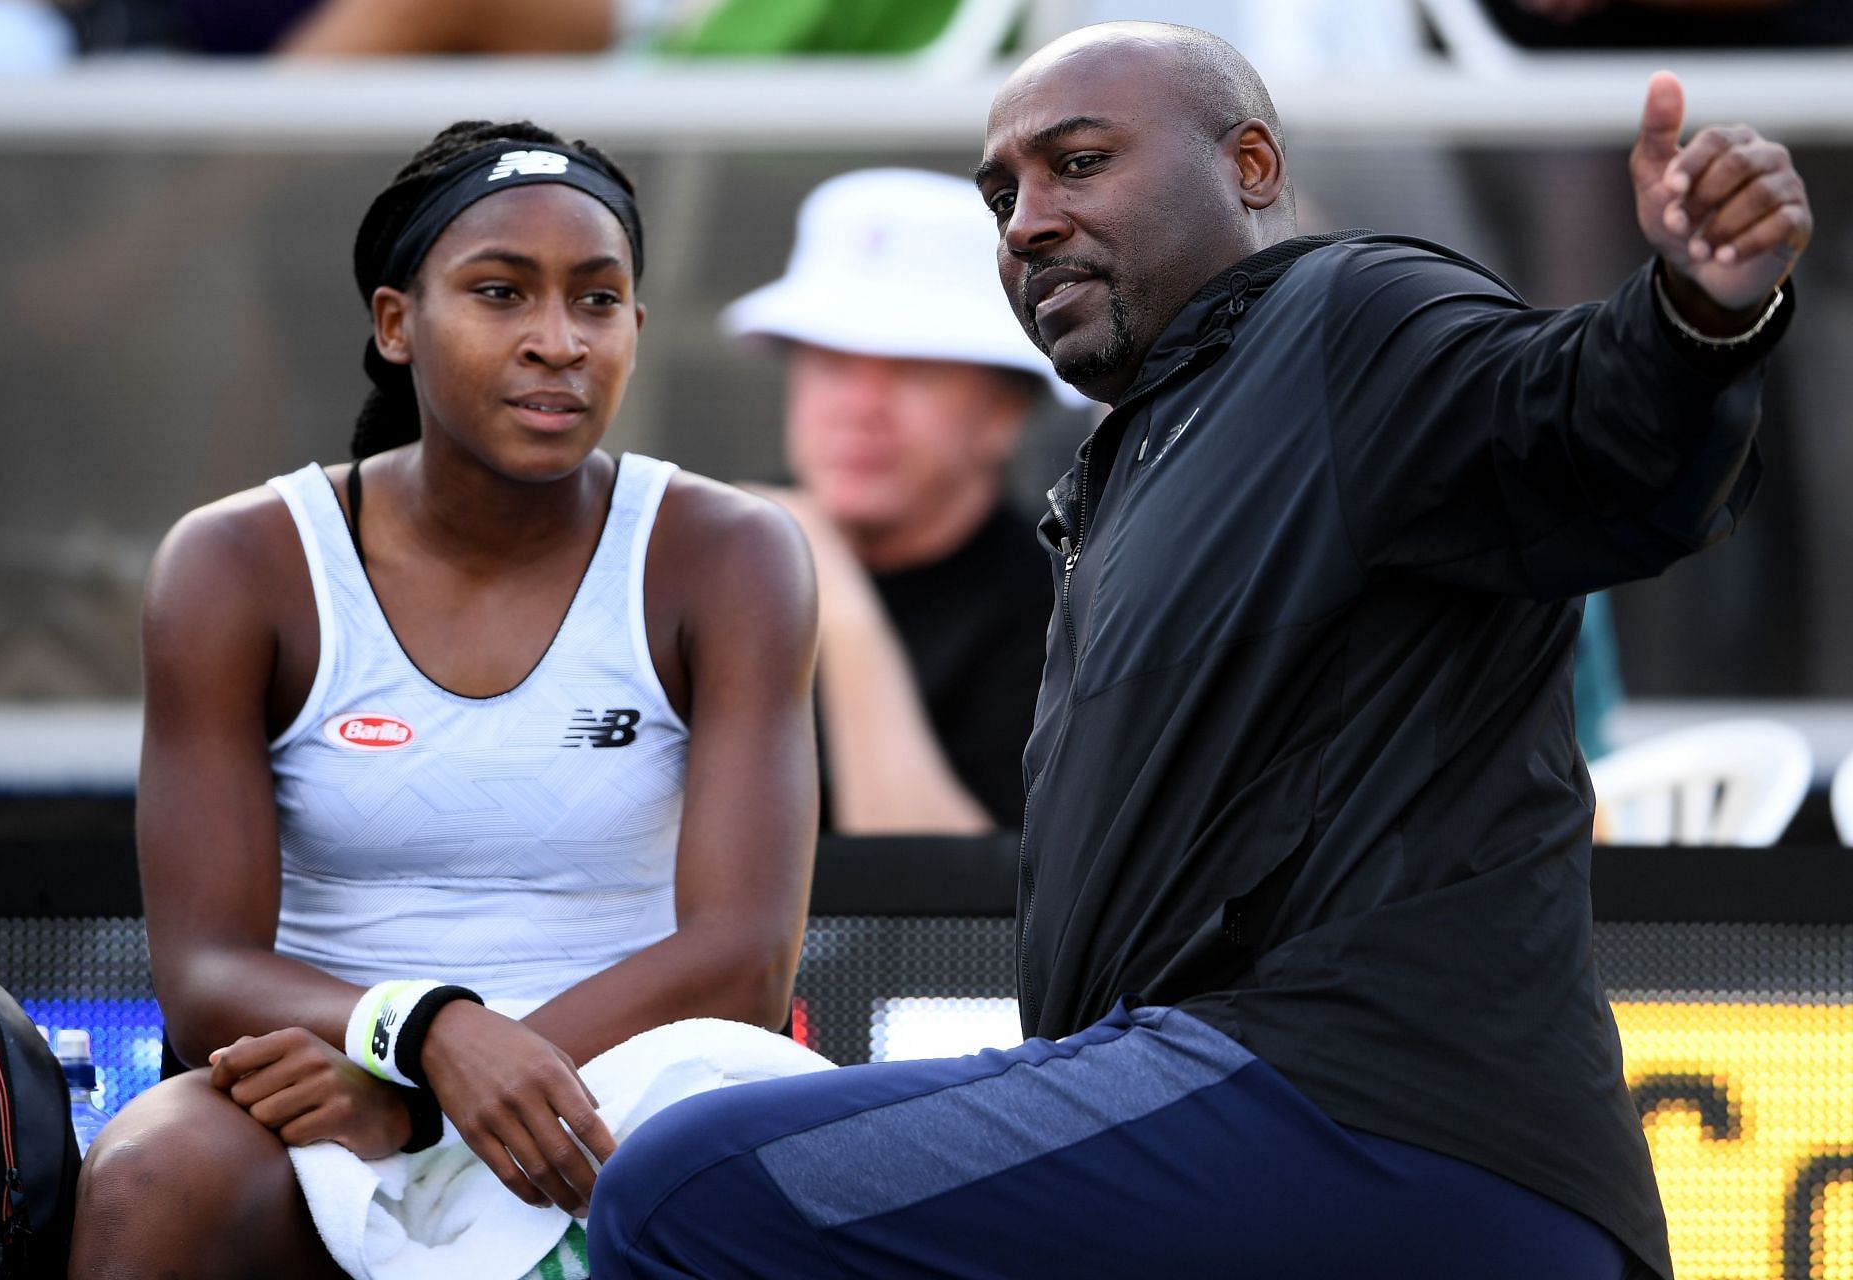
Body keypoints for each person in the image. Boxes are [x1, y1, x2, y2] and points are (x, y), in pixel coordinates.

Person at [585, 20, 1810, 1279]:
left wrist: (1695, 316)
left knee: (685, 1182)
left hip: (1369, 1120)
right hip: (1293, 1145)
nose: (1025, 220)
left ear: (1254, 167)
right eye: (1002, 193)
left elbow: (1597, 429)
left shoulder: (1350, 316)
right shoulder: (1129, 469)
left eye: (1078, 163)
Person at [69, 120, 818, 1279]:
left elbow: (745, 957)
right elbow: (204, 968)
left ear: (636, 327)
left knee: (759, 1155)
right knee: (155, 1172)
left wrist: (422, 1100)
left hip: (635, 1080)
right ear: (394, 322)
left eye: (598, 299)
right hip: (327, 1078)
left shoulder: (730, 552)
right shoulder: (237, 561)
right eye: (502, 292)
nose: (557, 341)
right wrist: (421, 1037)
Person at [722, 168, 1075, 832]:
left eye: (914, 371)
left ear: (1002, 414)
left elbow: (949, 914)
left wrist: (838, 602)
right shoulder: (704, 560)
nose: (860, 408)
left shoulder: (1067, 614)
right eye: (830, 365)